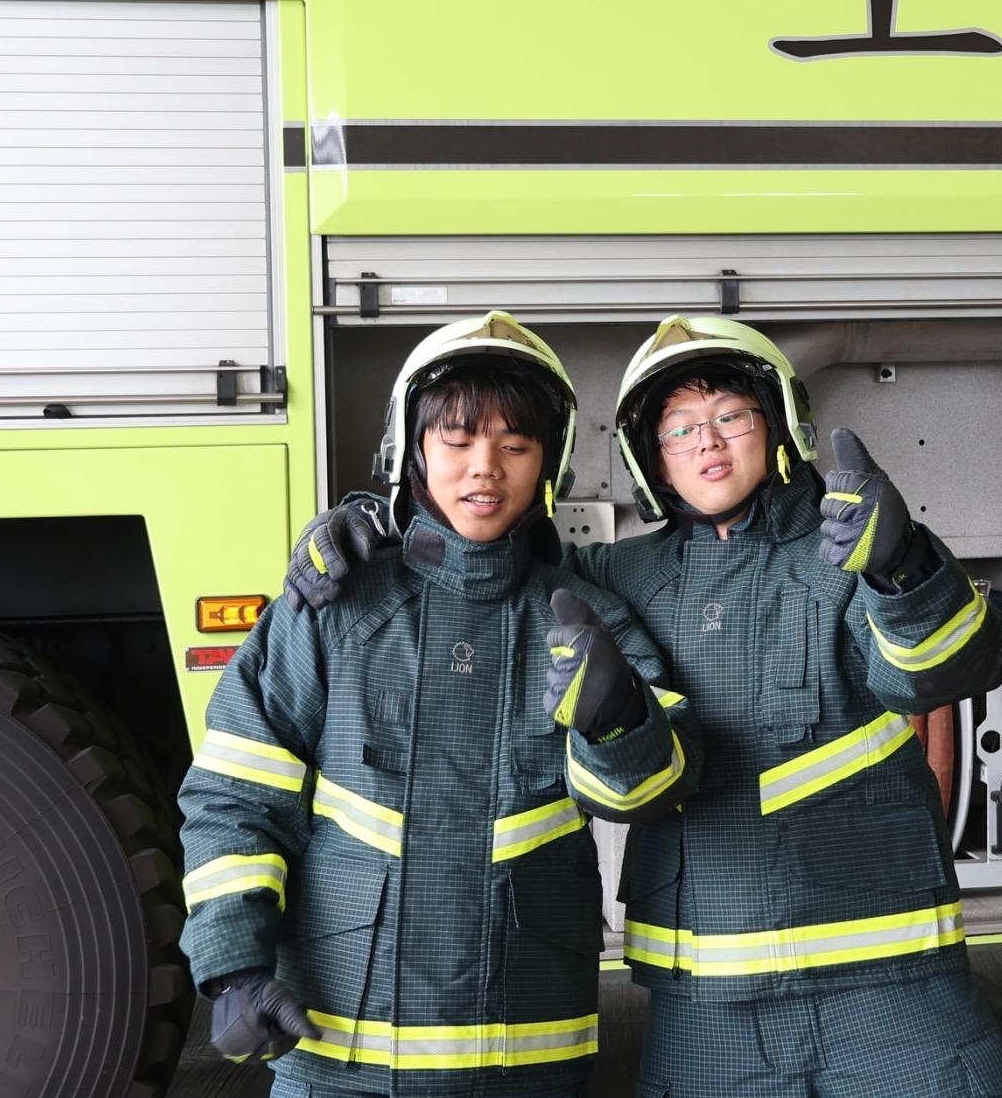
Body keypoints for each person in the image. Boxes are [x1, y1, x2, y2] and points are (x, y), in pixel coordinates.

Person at [288, 315, 1002, 1098]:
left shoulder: (852, 548)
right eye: (679, 428)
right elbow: (484, 556)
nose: (708, 442)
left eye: (730, 416)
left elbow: (946, 671)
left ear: (780, 422)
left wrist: (904, 567)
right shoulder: (614, 576)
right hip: (707, 1009)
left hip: (893, 982)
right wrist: (370, 526)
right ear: (651, 458)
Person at [180, 311, 700, 1098]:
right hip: (340, 1062)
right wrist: (233, 964)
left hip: (524, 1061)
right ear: (413, 451)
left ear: (549, 463)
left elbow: (659, 788)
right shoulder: (335, 606)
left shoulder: (586, 620)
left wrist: (620, 719)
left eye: (515, 445)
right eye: (457, 441)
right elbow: (235, 796)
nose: (484, 468)